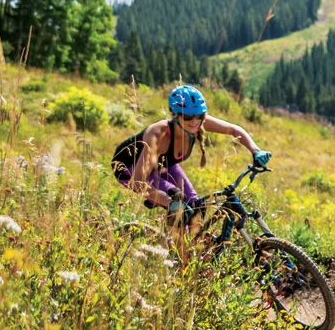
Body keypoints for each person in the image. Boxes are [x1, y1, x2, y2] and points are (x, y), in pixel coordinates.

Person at [112, 84, 270, 225]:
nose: (195, 121)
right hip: (130, 168)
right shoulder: (158, 133)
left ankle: (188, 245)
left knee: (196, 205)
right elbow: (138, 182)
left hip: (165, 166)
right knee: (177, 200)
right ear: (175, 115)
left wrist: (255, 150)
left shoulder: (199, 123)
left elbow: (234, 130)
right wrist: (167, 201)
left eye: (199, 116)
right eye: (188, 117)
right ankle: (173, 253)